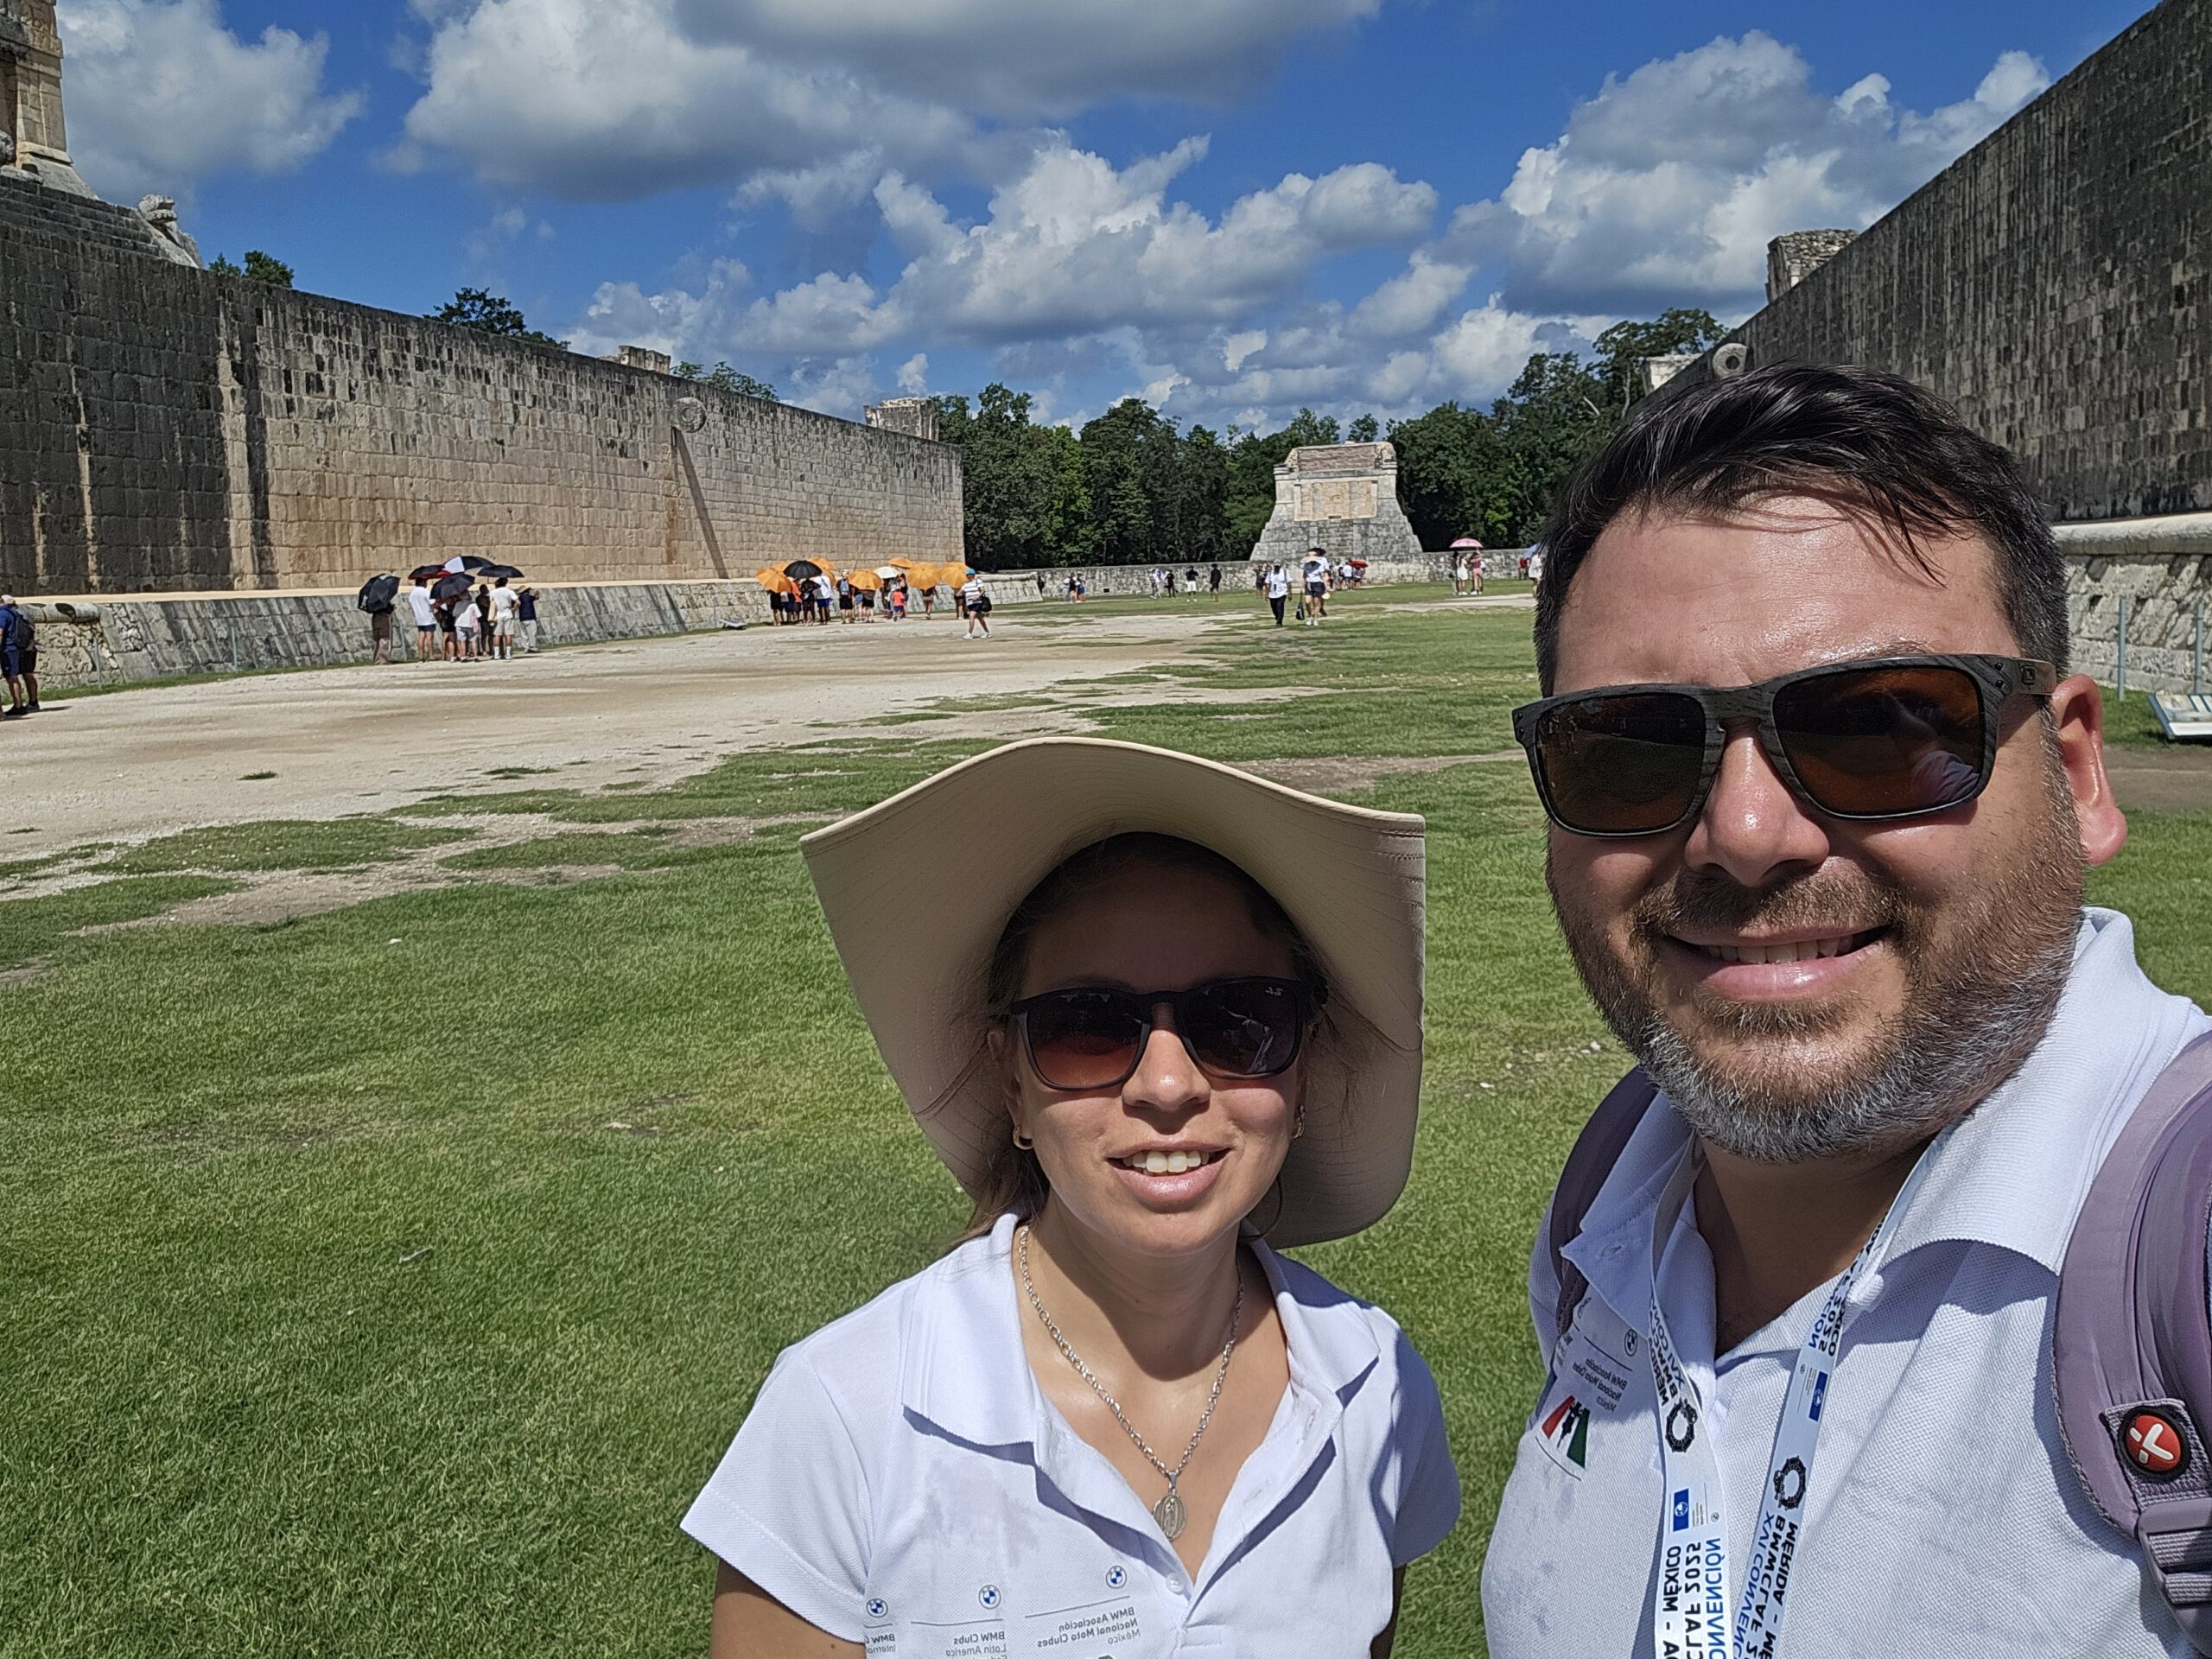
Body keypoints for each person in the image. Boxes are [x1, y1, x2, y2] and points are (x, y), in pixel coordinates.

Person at [1482, 363, 2207, 1656]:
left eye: (1879, 728)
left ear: (2077, 775)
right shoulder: (1609, 1211)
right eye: (1632, 746)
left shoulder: (2183, 1255)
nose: (1747, 833)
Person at [686, 737, 1458, 1657]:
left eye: (1238, 1023)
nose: (1167, 1086)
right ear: (1010, 1084)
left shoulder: (1374, 1384)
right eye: (1087, 1027)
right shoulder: (848, 1413)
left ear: (1302, 1073)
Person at [0, 594, 35, 716]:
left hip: (7, 648)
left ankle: (18, 705)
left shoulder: (2, 614)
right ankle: (20, 704)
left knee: (11, 677)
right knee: (15, 677)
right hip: (17, 647)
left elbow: (0, 632)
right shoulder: (15, 613)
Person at [408, 577, 438, 659]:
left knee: (421, 636)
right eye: (425, 581)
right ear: (422, 582)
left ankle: (421, 656)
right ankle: (431, 655)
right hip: (428, 617)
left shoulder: (413, 593)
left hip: (419, 618)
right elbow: (432, 602)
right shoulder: (425, 591)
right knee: (429, 637)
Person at [489, 577, 518, 660]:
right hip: (508, 613)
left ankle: (497, 654)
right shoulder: (509, 591)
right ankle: (508, 654)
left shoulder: (493, 592)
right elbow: (518, 602)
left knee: (497, 635)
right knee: (508, 634)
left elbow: (492, 602)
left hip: (498, 614)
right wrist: (514, 608)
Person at [1302, 550, 1330, 626]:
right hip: (1309, 583)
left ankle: (1315, 619)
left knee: (1316, 602)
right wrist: (1302, 585)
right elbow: (1304, 576)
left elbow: (1322, 576)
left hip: (1318, 584)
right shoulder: (1306, 565)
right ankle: (1310, 616)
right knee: (1307, 602)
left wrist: (1326, 586)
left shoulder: (1319, 565)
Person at [963, 570, 992, 639]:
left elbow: (982, 590)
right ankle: (987, 632)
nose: (966, 575)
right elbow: (963, 592)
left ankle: (969, 634)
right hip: (970, 603)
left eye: (968, 574)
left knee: (971, 616)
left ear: (972, 575)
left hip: (977, 602)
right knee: (980, 618)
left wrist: (978, 596)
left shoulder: (977, 581)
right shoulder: (966, 583)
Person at [1265, 563, 1291, 627]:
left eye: (1278, 566)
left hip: (1282, 593)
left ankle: (1279, 622)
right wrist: (1266, 593)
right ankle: (1278, 617)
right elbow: (1267, 584)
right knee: (1273, 607)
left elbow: (1289, 583)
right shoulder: (1270, 573)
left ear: (1280, 566)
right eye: (1275, 566)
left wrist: (1290, 593)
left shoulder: (1285, 572)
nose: (1276, 568)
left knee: (1280, 606)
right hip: (1272, 593)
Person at [518, 587, 540, 652]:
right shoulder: (529, 597)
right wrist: (536, 593)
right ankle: (532, 646)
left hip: (522, 618)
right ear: (527, 591)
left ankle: (526, 647)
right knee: (533, 633)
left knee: (524, 634)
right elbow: (537, 598)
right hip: (530, 617)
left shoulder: (519, 598)